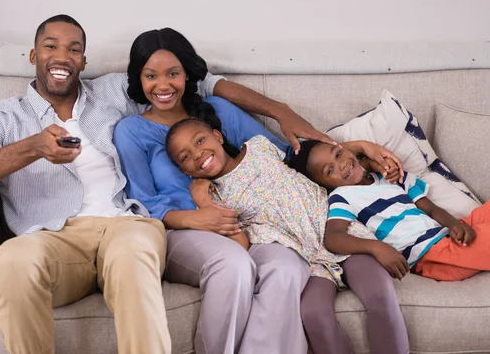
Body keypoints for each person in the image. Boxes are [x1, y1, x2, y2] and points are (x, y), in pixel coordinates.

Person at [0, 15, 346, 354]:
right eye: (51, 46)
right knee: (11, 262)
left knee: (136, 254)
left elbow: (193, 85)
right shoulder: (6, 116)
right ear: (32, 55)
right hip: (51, 236)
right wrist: (31, 149)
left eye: (74, 48)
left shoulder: (110, 92)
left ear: (83, 59)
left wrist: (280, 110)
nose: (62, 56)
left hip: (126, 225)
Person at [112, 27, 406, 354]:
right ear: (138, 79)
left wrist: (359, 149)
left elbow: (289, 156)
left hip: (264, 230)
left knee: (287, 267)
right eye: (151, 75)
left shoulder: (217, 112)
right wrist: (200, 217)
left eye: (173, 73)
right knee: (243, 265)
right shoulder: (131, 131)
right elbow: (143, 203)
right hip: (184, 230)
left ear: (187, 74)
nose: (163, 85)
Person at [164, 119, 410, 354]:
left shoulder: (259, 146)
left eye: (199, 141)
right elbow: (241, 245)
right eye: (185, 157)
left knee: (378, 293)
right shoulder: (213, 197)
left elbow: (309, 162)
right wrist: (202, 200)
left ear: (217, 136)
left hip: (338, 232)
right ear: (184, 170)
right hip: (307, 260)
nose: (197, 154)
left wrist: (365, 160)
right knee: (313, 314)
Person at [290, 139, 490, 283]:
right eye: (329, 171)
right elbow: (333, 238)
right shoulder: (343, 196)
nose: (341, 164)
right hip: (433, 257)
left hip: (447, 235)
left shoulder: (389, 177)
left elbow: (430, 207)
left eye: (339, 154)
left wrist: (453, 223)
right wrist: (376, 247)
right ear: (324, 184)